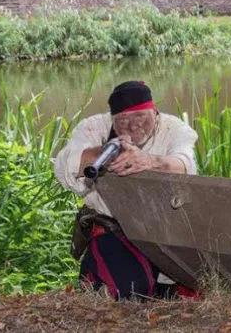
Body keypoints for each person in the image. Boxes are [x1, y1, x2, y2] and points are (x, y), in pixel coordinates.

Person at [53, 80, 199, 299]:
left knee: (190, 286)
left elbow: (184, 164)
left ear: (154, 112)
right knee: (130, 289)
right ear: (112, 119)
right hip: (113, 227)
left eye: (140, 116)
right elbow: (64, 167)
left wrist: (150, 161)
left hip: (165, 227)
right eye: (123, 120)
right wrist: (102, 152)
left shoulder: (174, 128)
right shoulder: (94, 127)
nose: (133, 126)